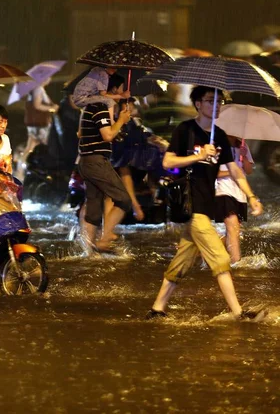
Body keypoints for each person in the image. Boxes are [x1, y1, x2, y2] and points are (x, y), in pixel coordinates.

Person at [146, 86, 263, 321]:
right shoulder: (185, 130)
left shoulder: (219, 135)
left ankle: (157, 309)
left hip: (206, 205)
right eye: (211, 101)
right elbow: (168, 162)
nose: (216, 105)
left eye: (219, 101)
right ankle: (238, 313)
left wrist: (251, 197)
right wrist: (199, 156)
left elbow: (235, 171)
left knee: (183, 261)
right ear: (198, 104)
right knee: (220, 259)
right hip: (191, 207)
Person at [77, 74, 132, 252]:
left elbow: (81, 133)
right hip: (95, 162)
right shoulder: (99, 107)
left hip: (87, 161)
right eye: (122, 88)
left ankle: (88, 251)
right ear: (114, 90)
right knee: (123, 200)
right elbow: (107, 135)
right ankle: (105, 238)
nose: (124, 93)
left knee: (93, 208)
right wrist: (121, 121)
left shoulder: (90, 107)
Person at [215, 135, 254, 264]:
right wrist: (232, 172)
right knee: (233, 226)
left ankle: (203, 250)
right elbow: (211, 172)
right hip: (223, 191)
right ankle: (235, 263)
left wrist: (245, 158)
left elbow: (248, 171)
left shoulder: (243, 146)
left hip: (240, 193)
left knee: (233, 230)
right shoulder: (217, 146)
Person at [20, 79, 58, 179]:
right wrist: (52, 108)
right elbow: (37, 105)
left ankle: (20, 170)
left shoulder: (34, 89)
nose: (50, 79)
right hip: (40, 124)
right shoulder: (38, 88)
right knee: (46, 146)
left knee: (30, 146)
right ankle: (45, 170)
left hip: (33, 124)